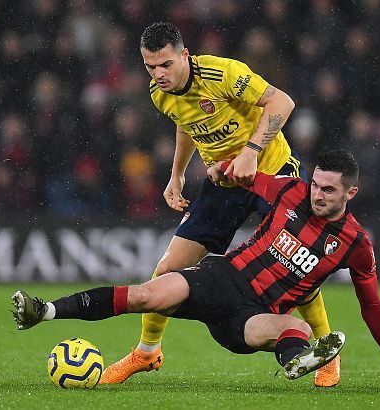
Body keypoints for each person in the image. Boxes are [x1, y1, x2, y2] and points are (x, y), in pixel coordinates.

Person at [12, 150, 380, 388]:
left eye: (329, 190)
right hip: (221, 278)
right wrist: (222, 169)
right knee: (146, 294)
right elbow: (243, 177)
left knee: (296, 329)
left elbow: (372, 306)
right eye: (315, 184)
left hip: (253, 318)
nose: (317, 195)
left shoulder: (355, 243)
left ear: (351, 193)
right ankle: (44, 311)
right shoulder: (289, 190)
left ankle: (297, 359)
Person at [102, 21, 340, 387]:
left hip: (273, 173)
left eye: (165, 64)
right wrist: (177, 174)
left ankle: (326, 352)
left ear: (184, 54)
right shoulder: (159, 93)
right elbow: (186, 121)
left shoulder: (221, 72)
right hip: (223, 183)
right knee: (167, 268)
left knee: (295, 264)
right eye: (150, 66)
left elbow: (282, 101)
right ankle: (147, 352)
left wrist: (251, 152)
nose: (158, 74)